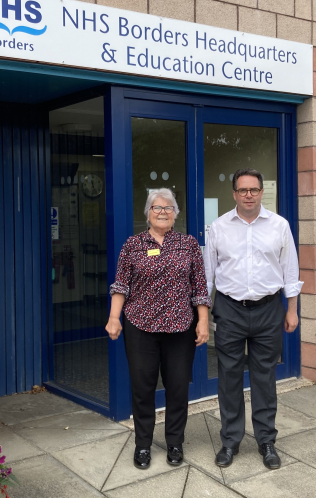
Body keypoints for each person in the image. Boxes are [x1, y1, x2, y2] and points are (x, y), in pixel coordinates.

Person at [204, 168, 303, 470]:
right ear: (233, 193)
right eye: (243, 190)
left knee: (264, 378)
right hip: (230, 310)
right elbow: (209, 276)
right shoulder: (218, 227)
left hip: (268, 309)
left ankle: (266, 441)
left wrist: (292, 309)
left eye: (254, 190)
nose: (249, 195)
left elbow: (291, 271)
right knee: (229, 378)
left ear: (262, 192)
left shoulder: (279, 226)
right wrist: (203, 316)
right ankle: (230, 441)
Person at [106, 188, 211, 469]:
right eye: (156, 207)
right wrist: (114, 318)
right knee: (142, 388)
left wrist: (203, 321)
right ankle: (142, 445)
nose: (162, 211)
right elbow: (121, 285)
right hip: (140, 326)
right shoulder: (133, 245)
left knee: (177, 388)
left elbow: (199, 287)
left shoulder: (188, 244)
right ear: (148, 214)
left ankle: (175, 442)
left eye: (168, 207)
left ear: (175, 214)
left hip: (180, 329)